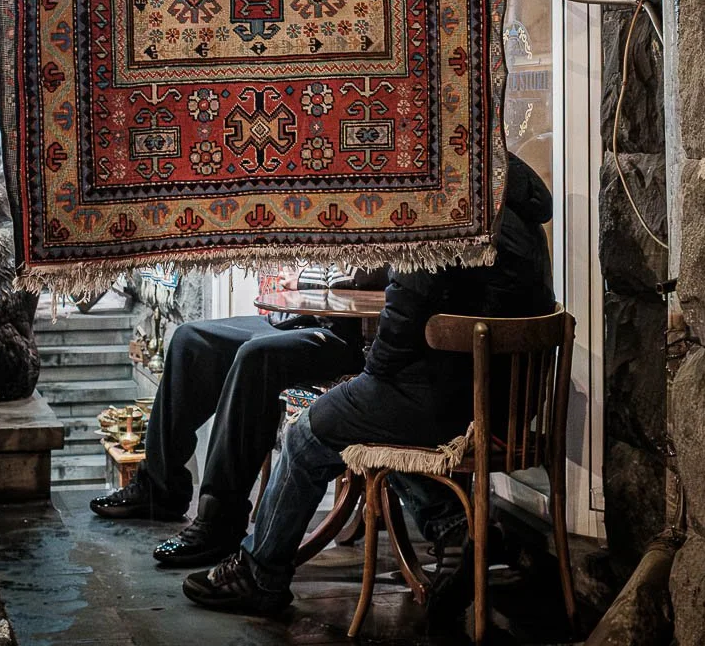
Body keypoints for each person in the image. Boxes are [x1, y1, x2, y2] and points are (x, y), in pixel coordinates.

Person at [180, 153, 555, 615]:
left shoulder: (441, 211)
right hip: (505, 405)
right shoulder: (514, 216)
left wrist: (368, 376)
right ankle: (454, 527)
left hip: (448, 401)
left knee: (307, 435)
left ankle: (261, 574)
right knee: (372, 424)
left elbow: (398, 333)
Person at [89, 267, 374, 568]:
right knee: (190, 340)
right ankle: (160, 488)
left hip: (355, 339)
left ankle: (220, 521)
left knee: (256, 357)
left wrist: (303, 279)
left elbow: (374, 273)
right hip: (306, 318)